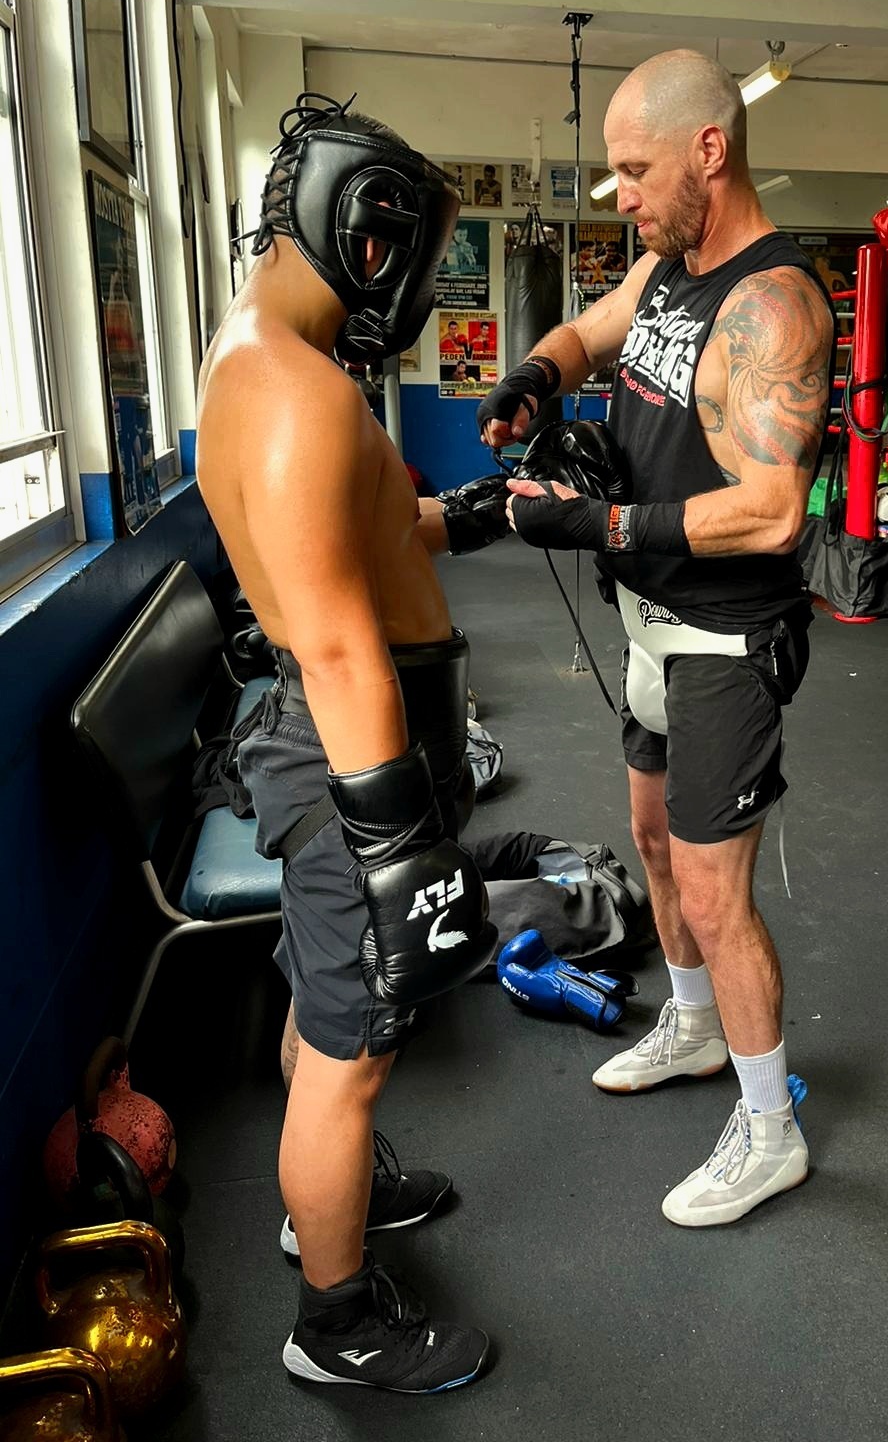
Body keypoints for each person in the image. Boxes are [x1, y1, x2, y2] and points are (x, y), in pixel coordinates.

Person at [478, 49, 835, 1228]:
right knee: (650, 839)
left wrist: (598, 522)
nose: (619, 193)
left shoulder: (774, 303)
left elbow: (772, 511)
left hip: (725, 640)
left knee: (717, 890)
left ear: (708, 151)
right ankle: (691, 1025)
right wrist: (536, 376)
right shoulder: (667, 268)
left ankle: (771, 1130)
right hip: (645, 622)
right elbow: (592, 329)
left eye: (635, 169)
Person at [196, 93, 512, 1398]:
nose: (408, 281)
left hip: (332, 743)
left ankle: (328, 1200)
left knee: (327, 1007)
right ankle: (336, 1324)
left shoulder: (274, 360)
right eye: (395, 244)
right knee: (355, 1043)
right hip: (346, 750)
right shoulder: (295, 389)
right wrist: (400, 848)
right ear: (340, 219)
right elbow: (334, 646)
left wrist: (491, 513)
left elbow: (377, 537)